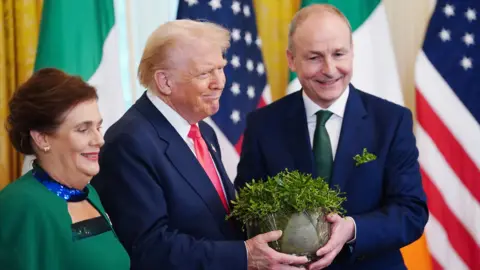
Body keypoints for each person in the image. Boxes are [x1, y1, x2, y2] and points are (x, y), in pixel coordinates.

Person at [90, 19, 308, 270]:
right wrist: (244, 255)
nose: (220, 82)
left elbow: (221, 224)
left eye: (220, 68)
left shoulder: (202, 130)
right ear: (165, 82)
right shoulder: (129, 142)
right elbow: (150, 247)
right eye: (205, 73)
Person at [235, 4, 428, 270]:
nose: (329, 68)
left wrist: (352, 229)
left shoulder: (391, 121)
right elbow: (246, 210)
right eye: (314, 57)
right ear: (292, 60)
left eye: (339, 54)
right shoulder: (263, 124)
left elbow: (411, 213)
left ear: (352, 52)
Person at [0, 68, 130, 270]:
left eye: (98, 127)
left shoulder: (89, 193)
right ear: (42, 138)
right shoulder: (21, 204)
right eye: (83, 129)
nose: (99, 140)